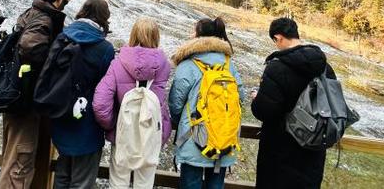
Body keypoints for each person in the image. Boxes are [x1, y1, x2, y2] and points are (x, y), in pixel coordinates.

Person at [0, 0, 75, 189]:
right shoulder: (43, 20)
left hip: (14, 92)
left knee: (14, 155)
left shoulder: (32, 13)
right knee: (20, 161)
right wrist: (56, 62)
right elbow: (31, 48)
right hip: (26, 98)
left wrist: (63, 3)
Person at [251, 17, 336, 189]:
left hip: (280, 151)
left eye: (275, 41)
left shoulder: (277, 68)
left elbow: (265, 111)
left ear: (279, 38)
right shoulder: (325, 67)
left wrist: (256, 98)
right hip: (313, 149)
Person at [93, 18, 172, 189]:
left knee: (118, 182)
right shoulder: (164, 65)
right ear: (156, 37)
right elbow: (163, 103)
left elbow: (100, 102)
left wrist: (112, 125)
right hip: (150, 132)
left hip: (123, 133)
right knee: (144, 183)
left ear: (133, 34)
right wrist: (164, 133)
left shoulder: (118, 62)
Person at [168, 17, 242, 189]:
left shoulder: (188, 64)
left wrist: (182, 123)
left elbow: (175, 104)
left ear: (198, 35)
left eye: (193, 30)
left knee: (190, 184)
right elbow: (241, 97)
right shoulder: (229, 64)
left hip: (194, 138)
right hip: (224, 138)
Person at [50, 0, 115, 189]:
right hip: (88, 122)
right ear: (104, 17)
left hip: (61, 114)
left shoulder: (62, 37)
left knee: (62, 173)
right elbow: (106, 90)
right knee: (82, 181)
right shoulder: (105, 48)